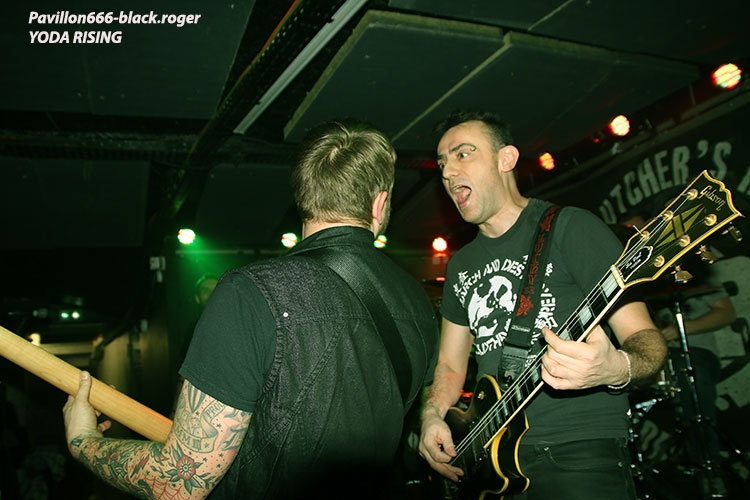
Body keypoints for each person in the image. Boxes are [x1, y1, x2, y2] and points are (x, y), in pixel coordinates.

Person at [62, 119, 439, 499]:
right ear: (379, 204)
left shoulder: (251, 293)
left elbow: (179, 481)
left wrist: (83, 441)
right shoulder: (418, 303)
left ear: (304, 197)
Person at [418, 110, 667, 500]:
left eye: (463, 154)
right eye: (442, 162)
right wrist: (432, 415)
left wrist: (616, 368)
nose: (448, 172)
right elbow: (450, 366)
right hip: (489, 462)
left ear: (506, 159)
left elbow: (646, 340)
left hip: (577, 450)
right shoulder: (461, 264)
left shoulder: (573, 228)